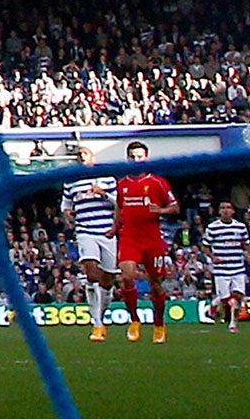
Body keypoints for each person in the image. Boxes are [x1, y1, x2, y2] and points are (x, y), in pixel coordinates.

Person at [115, 141, 177, 344]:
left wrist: (160, 210)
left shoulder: (158, 182)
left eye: (140, 156)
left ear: (146, 158)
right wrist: (115, 227)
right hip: (130, 238)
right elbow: (119, 207)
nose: (136, 160)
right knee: (126, 277)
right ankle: (134, 320)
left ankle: (159, 324)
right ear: (127, 159)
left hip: (152, 240)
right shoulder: (122, 183)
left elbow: (175, 207)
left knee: (156, 284)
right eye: (132, 156)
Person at [60, 145, 120, 341]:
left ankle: (100, 315)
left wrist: (103, 194)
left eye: (84, 154)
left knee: (108, 278)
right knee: (91, 271)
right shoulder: (71, 181)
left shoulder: (107, 178)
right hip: (85, 231)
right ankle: (97, 324)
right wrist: (68, 214)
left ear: (92, 156)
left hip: (107, 232)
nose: (80, 158)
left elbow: (120, 204)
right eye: (77, 156)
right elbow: (66, 206)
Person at [201, 200, 250, 333]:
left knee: (238, 296)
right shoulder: (212, 227)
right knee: (225, 299)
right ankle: (214, 305)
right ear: (219, 211)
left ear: (233, 211)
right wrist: (213, 257)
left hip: (237, 267)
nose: (225, 210)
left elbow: (246, 243)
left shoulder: (240, 227)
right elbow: (205, 246)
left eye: (228, 208)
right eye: (223, 208)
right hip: (221, 269)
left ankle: (233, 324)